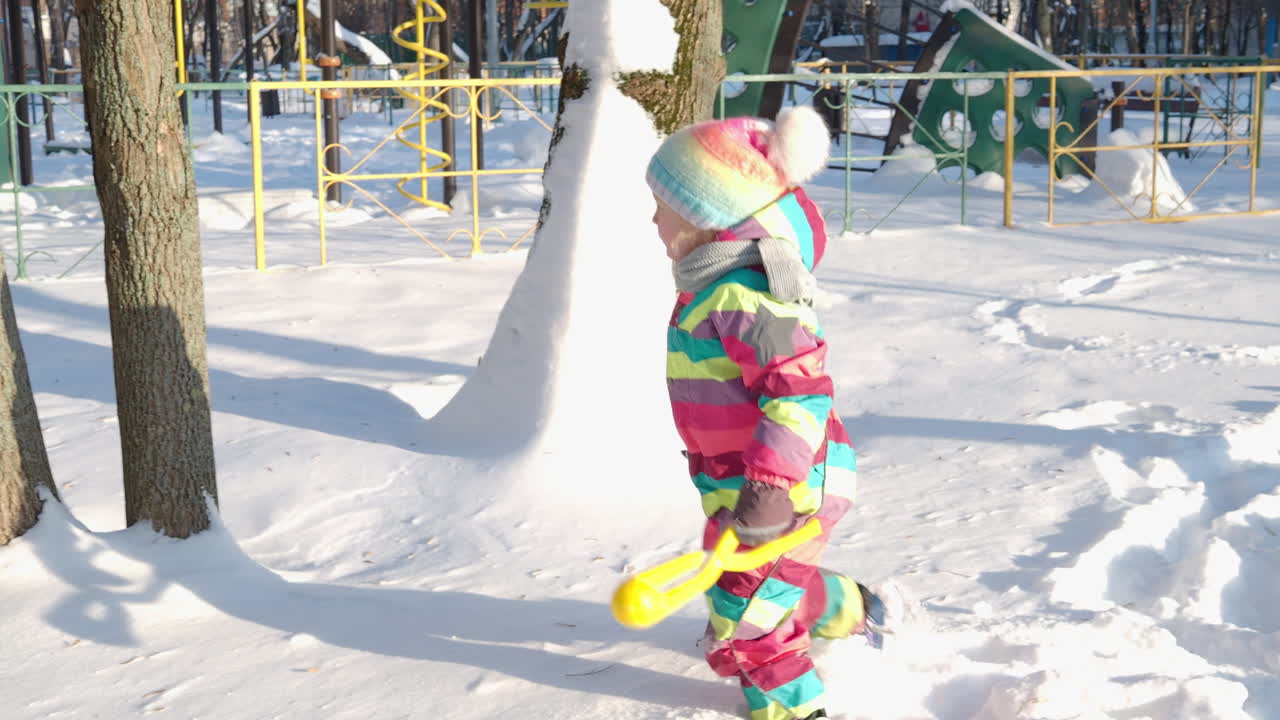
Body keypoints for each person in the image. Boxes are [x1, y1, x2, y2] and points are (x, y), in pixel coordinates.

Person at [646, 105, 887, 720]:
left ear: (708, 222)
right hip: (742, 478)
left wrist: (770, 490)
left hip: (786, 481)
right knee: (754, 582)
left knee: (750, 621)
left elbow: (799, 394)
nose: (653, 217)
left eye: (664, 206)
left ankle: (793, 710)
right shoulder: (709, 286)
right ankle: (851, 608)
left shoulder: (742, 297)